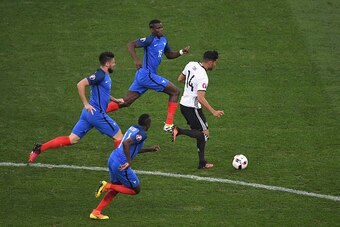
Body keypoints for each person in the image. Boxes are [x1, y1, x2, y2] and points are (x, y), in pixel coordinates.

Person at [28, 51, 124, 163]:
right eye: (113, 62)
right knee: (118, 137)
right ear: (107, 64)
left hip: (88, 114)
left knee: (71, 139)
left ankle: (39, 149)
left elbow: (104, 93)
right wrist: (86, 103)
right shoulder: (100, 75)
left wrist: (116, 100)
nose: (114, 64)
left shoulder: (104, 76)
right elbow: (80, 84)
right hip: (96, 114)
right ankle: (119, 166)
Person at [105, 19, 190, 133]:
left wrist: (181, 52)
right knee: (175, 92)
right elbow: (131, 44)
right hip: (147, 75)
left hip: (143, 76)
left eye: (161, 27)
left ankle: (99, 112)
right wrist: (136, 60)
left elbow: (169, 55)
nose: (160, 30)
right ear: (152, 29)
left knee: (126, 102)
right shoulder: (149, 40)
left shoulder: (164, 40)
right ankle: (168, 124)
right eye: (158, 28)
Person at [89, 114, 160, 220]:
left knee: (117, 187)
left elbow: (133, 148)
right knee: (135, 189)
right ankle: (107, 185)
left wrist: (150, 149)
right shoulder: (142, 134)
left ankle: (96, 212)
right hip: (121, 164)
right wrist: (129, 161)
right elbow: (126, 144)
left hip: (113, 158)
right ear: (147, 123)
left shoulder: (133, 128)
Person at [171, 50, 224, 169]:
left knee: (199, 134)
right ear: (210, 62)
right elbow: (200, 98)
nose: (215, 65)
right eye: (215, 63)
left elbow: (180, 79)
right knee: (204, 135)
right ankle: (178, 130)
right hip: (192, 107)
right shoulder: (203, 77)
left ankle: (202, 163)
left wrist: (192, 85)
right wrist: (213, 111)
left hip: (183, 104)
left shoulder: (191, 64)